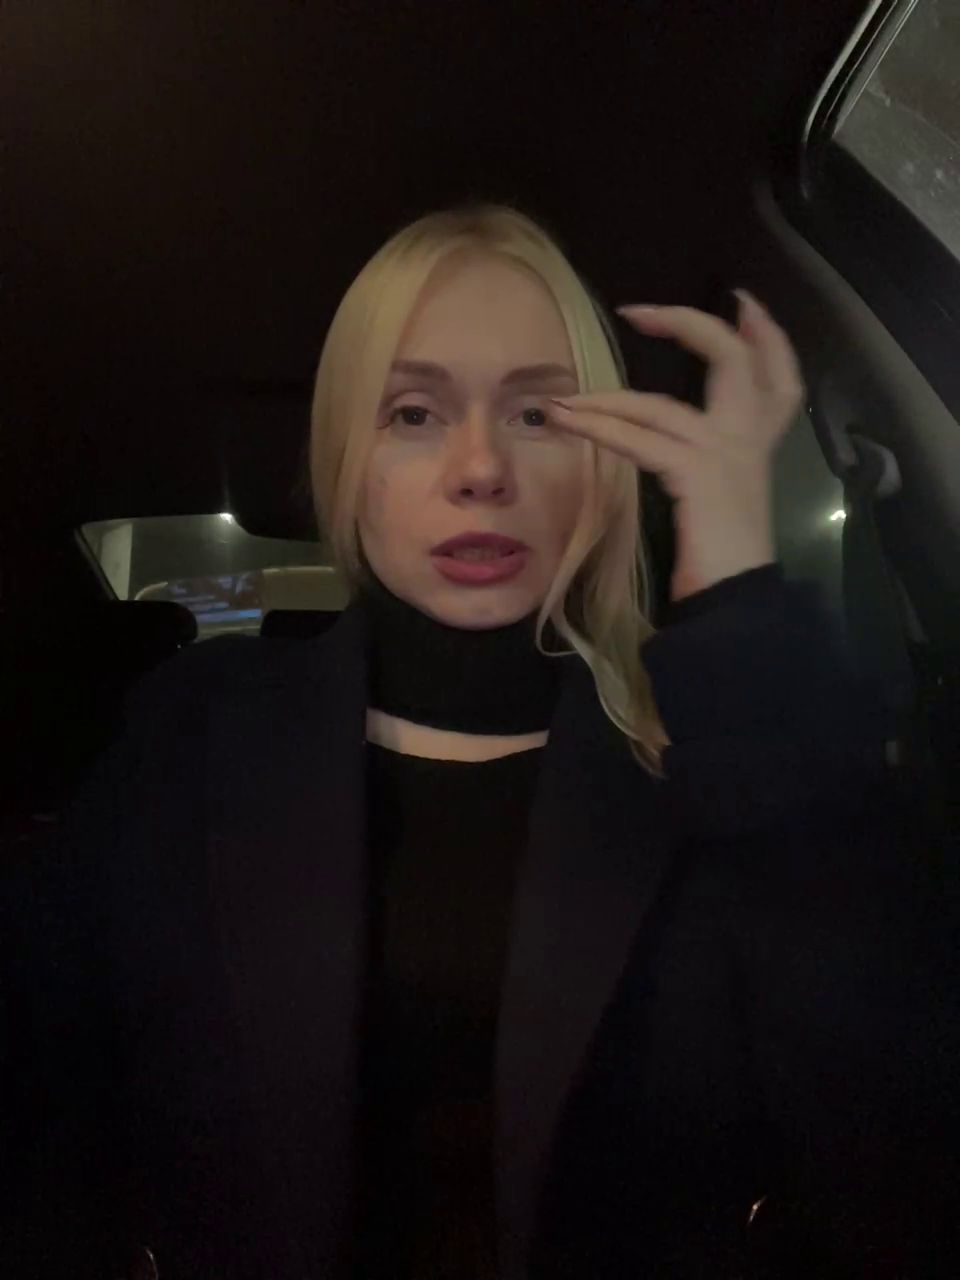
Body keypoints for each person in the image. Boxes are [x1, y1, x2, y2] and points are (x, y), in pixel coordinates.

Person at [2, 202, 958, 1280]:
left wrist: (740, 604)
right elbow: (44, 1094)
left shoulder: (719, 749)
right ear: (345, 454)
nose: (480, 469)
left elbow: (900, 1158)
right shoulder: (194, 728)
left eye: (537, 415)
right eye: (413, 412)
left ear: (605, 458)